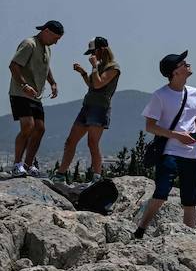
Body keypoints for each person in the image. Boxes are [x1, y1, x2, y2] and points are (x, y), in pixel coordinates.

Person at [134, 52, 196, 237]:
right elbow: (150, 126)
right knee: (161, 193)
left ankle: (189, 237)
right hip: (170, 151)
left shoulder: (195, 92)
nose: (187, 64)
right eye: (183, 63)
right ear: (174, 71)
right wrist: (177, 136)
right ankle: (141, 229)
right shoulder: (160, 95)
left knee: (191, 199)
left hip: (193, 153)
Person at [56, 36, 120, 182]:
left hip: (100, 108)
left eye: (94, 52)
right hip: (88, 106)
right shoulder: (101, 66)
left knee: (92, 143)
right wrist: (83, 73)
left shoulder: (113, 67)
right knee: (70, 141)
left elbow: (98, 84)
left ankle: (97, 177)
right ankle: (60, 174)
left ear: (101, 50)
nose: (92, 55)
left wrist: (93, 67)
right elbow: (92, 85)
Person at [8, 19, 63, 177]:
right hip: (20, 93)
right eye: (55, 38)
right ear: (46, 32)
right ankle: (17, 165)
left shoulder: (47, 49)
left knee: (40, 128)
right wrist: (24, 85)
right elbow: (13, 65)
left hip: (35, 96)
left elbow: (46, 66)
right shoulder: (29, 44)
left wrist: (52, 82)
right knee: (28, 126)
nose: (55, 42)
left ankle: (28, 165)